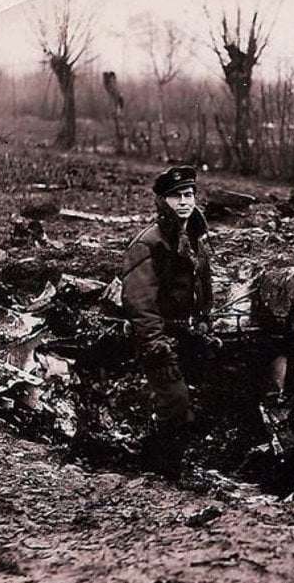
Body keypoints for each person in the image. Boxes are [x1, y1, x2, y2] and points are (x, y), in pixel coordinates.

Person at [121, 165, 213, 473]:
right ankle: (157, 471)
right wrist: (155, 344)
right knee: (174, 402)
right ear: (162, 201)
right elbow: (139, 301)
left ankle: (179, 461)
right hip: (158, 337)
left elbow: (203, 285)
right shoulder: (149, 243)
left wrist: (204, 321)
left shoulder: (196, 237)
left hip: (185, 333)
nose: (185, 202)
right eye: (176, 197)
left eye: (189, 195)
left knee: (199, 400)